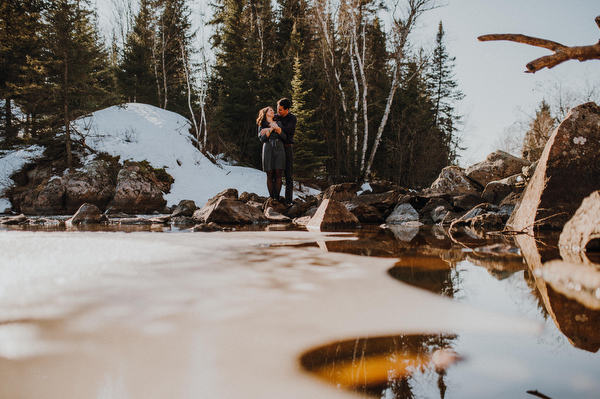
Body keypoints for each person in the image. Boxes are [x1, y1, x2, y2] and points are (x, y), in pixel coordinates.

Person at [257, 106, 286, 202]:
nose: (273, 111)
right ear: (266, 113)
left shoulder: (279, 123)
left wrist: (276, 128)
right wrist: (270, 129)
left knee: (278, 173)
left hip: (279, 148)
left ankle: (277, 198)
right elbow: (262, 138)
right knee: (269, 174)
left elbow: (283, 136)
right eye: (271, 110)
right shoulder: (261, 124)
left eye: (273, 110)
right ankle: (271, 198)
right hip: (268, 148)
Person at [272, 98, 297, 206]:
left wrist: (277, 128)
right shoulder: (276, 117)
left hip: (287, 148)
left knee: (288, 176)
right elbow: (265, 120)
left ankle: (288, 201)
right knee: (276, 174)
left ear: (287, 109)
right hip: (277, 148)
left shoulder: (292, 118)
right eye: (277, 109)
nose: (278, 111)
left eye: (281, 110)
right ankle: (275, 198)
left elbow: (286, 131)